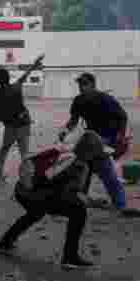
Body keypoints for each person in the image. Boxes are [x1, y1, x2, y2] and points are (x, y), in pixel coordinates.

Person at [0, 131, 104, 269]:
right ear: (89, 152)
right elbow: (49, 182)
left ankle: (4, 243)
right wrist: (85, 200)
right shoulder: (73, 163)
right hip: (32, 193)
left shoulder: (70, 154)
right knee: (78, 212)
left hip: (26, 190)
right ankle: (70, 256)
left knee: (36, 213)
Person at [58, 72, 132, 213]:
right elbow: (73, 120)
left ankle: (119, 203)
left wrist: (121, 137)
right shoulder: (78, 101)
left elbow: (122, 117)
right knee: (84, 167)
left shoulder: (105, 99)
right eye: (80, 84)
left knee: (101, 168)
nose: (81, 87)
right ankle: (81, 199)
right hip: (91, 139)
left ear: (92, 84)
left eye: (84, 84)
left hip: (107, 138)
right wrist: (65, 130)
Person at [0, 56, 44, 185]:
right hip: (24, 125)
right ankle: (26, 179)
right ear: (8, 78)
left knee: (4, 150)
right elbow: (26, 74)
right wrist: (35, 63)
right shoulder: (16, 87)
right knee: (25, 154)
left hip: (10, 127)